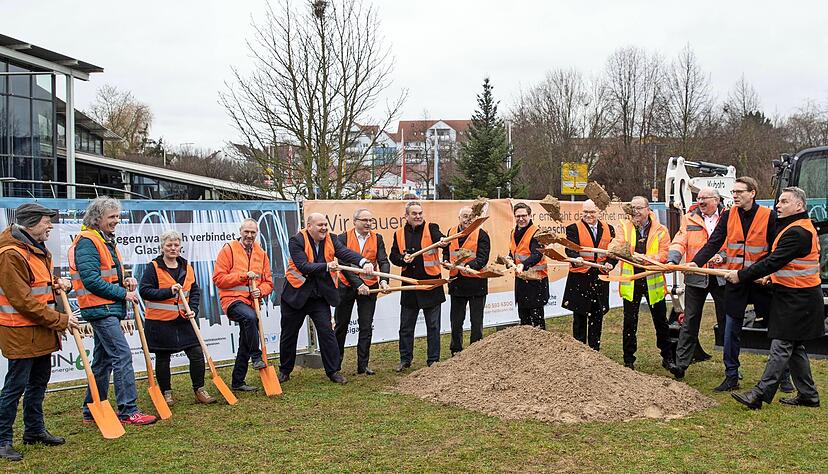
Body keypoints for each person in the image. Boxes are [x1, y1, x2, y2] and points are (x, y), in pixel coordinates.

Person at [729, 187, 822, 409]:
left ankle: (760, 394)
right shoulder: (794, 227)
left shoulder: (797, 232)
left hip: (799, 298)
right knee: (794, 347)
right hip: (795, 295)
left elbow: (773, 260)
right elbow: (784, 263)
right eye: (778, 201)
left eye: (784, 202)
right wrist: (772, 277)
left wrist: (741, 275)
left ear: (799, 206)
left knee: (781, 345)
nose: (778, 206)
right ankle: (809, 395)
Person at [0, 204, 79, 462]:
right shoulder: (11, 254)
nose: (50, 226)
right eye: (47, 222)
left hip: (40, 330)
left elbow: (36, 287)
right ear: (31, 223)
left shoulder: (36, 250)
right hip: (20, 331)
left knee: (38, 383)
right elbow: (22, 300)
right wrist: (60, 320)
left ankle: (34, 431)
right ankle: (2, 440)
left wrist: (56, 285)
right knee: (15, 386)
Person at [68, 197, 156, 425]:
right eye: (112, 217)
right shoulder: (88, 241)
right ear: (98, 219)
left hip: (106, 307)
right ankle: (128, 410)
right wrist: (121, 294)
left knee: (103, 360)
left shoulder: (104, 240)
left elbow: (109, 274)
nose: (116, 221)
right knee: (122, 355)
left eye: (117, 216)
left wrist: (126, 281)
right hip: (100, 308)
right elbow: (91, 280)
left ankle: (92, 409)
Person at [690, 176, 776, 392]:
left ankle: (782, 377)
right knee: (730, 329)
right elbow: (713, 243)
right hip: (736, 280)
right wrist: (694, 263)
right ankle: (731, 375)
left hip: (761, 281)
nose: (735, 195)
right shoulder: (729, 216)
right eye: (734, 192)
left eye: (739, 191)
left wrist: (770, 275)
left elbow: (777, 250)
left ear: (752, 193)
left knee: (776, 330)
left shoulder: (768, 216)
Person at [280, 213, 373, 384]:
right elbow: (303, 266)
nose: (324, 228)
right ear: (309, 226)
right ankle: (285, 370)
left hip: (318, 296)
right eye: (320, 225)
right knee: (289, 334)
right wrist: (327, 266)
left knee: (327, 333)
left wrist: (363, 262)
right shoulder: (296, 240)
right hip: (296, 295)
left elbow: (345, 253)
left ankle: (333, 371)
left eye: (325, 225)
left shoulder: (331, 238)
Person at [139, 230, 215, 405]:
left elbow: (194, 290)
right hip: (160, 322)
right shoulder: (153, 267)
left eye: (176, 245)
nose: (173, 248)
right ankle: (166, 392)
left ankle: (199, 389)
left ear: (180, 247)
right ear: (162, 247)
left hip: (184, 320)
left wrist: (193, 309)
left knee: (196, 354)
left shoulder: (187, 266)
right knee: (163, 358)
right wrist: (168, 291)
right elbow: (144, 291)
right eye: (169, 245)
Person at [667, 188, 727, 379]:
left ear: (716, 200)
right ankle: (681, 364)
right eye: (698, 198)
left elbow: (734, 243)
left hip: (721, 276)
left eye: (704, 198)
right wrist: (672, 260)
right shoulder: (689, 218)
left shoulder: (727, 217)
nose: (700, 201)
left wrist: (723, 256)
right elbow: (679, 241)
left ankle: (732, 367)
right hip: (695, 276)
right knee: (690, 320)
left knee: (726, 320)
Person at [213, 218, 273, 392]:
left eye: (253, 232)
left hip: (251, 302)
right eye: (246, 232)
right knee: (250, 318)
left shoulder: (261, 253)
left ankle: (237, 381)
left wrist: (260, 291)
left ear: (256, 234)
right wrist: (243, 276)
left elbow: (268, 282)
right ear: (240, 231)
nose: (249, 235)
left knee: (246, 339)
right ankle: (256, 355)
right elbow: (218, 279)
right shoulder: (229, 250)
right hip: (232, 300)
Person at [389, 201, 449, 371]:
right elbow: (393, 255)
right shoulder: (399, 233)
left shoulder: (432, 227)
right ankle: (405, 359)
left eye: (420, 213)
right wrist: (402, 259)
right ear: (406, 216)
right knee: (406, 326)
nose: (418, 216)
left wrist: (443, 242)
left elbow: (441, 240)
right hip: (409, 285)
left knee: (433, 325)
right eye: (414, 214)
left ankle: (433, 360)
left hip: (430, 284)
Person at [617, 196, 672, 371]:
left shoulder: (661, 230)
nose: (636, 211)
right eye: (633, 208)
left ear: (648, 209)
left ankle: (668, 357)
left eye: (639, 208)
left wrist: (648, 260)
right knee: (629, 322)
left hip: (652, 280)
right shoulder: (623, 227)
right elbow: (617, 245)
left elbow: (665, 254)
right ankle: (628, 360)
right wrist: (620, 251)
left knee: (661, 322)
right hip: (632, 282)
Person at [334, 208, 390, 375]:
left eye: (370, 220)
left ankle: (363, 365)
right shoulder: (342, 238)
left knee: (366, 326)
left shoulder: (377, 238)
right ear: (355, 221)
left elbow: (383, 261)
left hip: (370, 286)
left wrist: (384, 280)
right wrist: (358, 284)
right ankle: (335, 366)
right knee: (341, 326)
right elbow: (344, 265)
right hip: (346, 286)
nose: (368, 223)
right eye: (364, 220)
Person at [562, 199, 615, 351]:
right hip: (580, 277)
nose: (588, 215)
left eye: (592, 212)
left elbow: (613, 252)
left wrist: (611, 263)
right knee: (579, 315)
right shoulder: (573, 228)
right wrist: (575, 257)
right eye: (585, 212)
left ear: (598, 212)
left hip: (599, 277)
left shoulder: (609, 229)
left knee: (597, 315)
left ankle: (594, 350)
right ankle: (579, 350)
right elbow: (569, 248)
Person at [443, 206, 490, 355]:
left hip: (476, 283)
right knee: (456, 321)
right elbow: (446, 252)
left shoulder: (482, 235)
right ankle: (455, 350)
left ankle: (475, 351)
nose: (467, 219)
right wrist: (445, 261)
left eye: (470, 216)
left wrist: (469, 266)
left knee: (476, 321)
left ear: (475, 218)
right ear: (459, 218)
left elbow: (483, 258)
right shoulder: (450, 233)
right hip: (457, 282)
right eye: (464, 216)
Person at [509, 202, 549, 329]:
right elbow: (514, 251)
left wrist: (523, 265)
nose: (521, 219)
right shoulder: (513, 232)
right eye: (518, 216)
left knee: (537, 319)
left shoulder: (537, 233)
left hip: (536, 281)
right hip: (521, 281)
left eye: (524, 215)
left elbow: (536, 255)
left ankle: (541, 346)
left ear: (530, 215)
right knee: (524, 318)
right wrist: (508, 258)